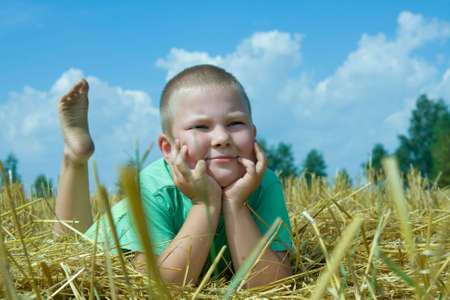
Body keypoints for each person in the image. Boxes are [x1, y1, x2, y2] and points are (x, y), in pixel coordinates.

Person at [55, 64, 293, 287]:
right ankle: (74, 158)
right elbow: (158, 288)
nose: (222, 138)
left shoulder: (265, 182)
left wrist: (234, 204)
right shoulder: (154, 185)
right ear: (168, 149)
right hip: (108, 241)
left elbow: (275, 286)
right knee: (69, 243)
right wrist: (205, 205)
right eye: (201, 127)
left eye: (235, 123)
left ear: (253, 134)